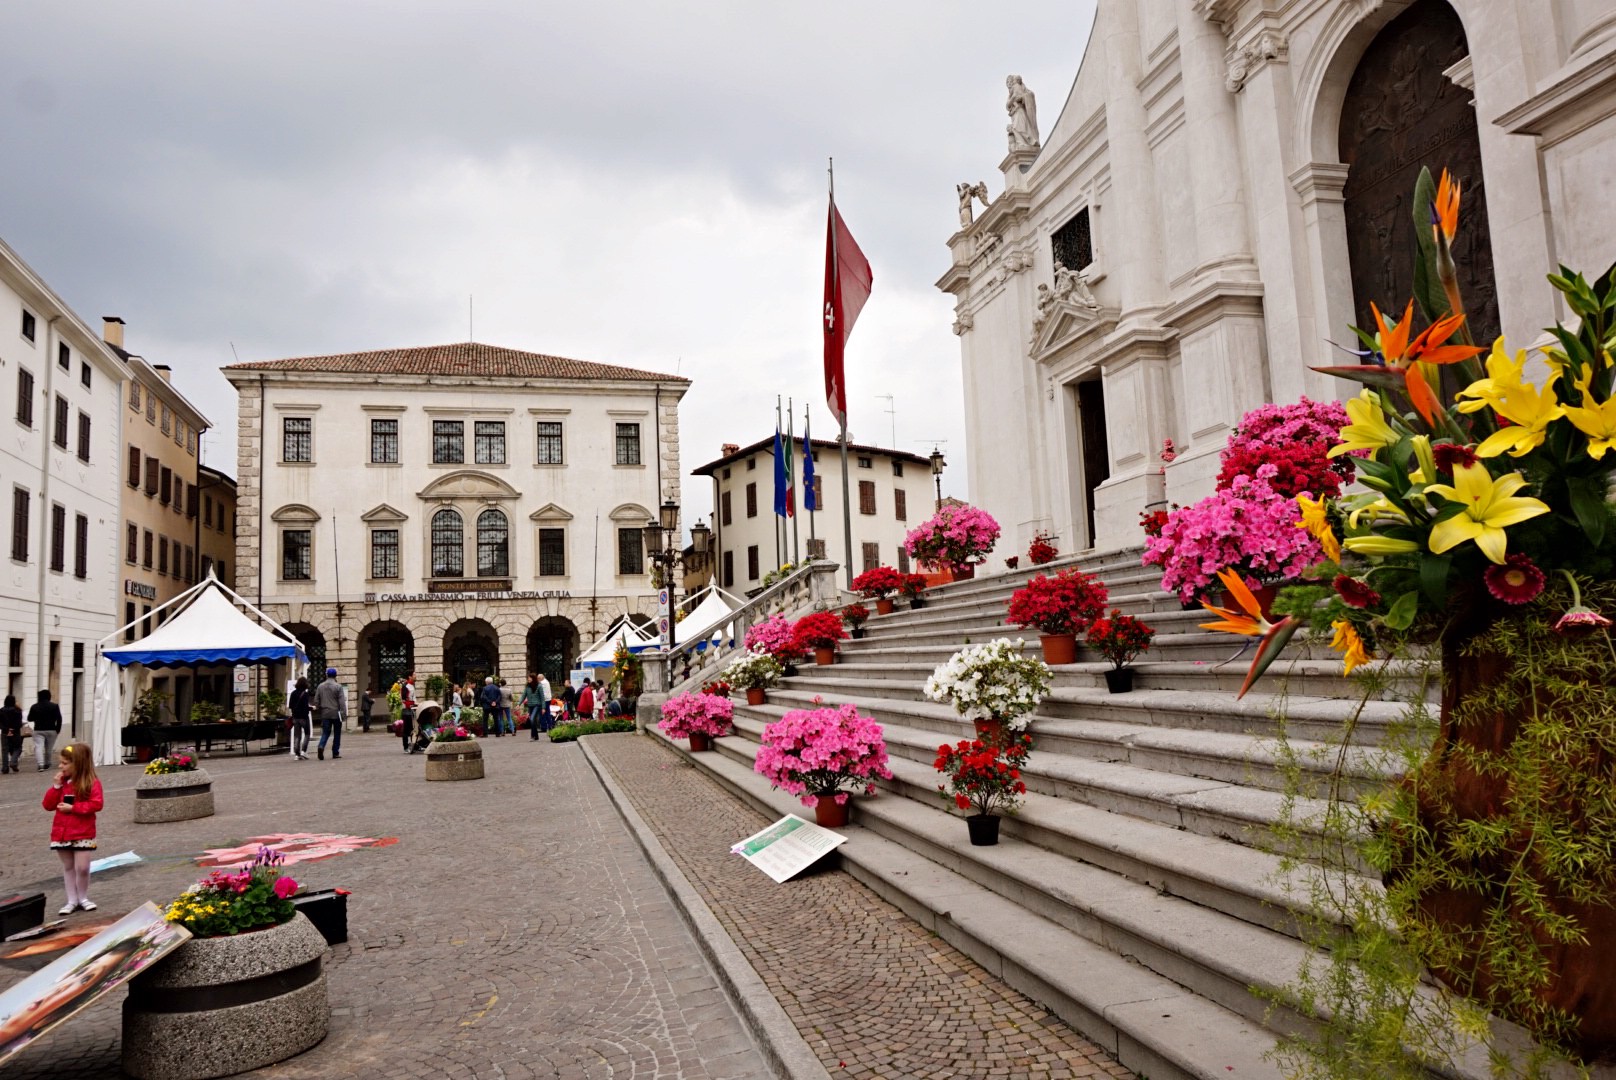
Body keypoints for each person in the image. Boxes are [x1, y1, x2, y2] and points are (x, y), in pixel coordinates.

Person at [43, 743, 103, 916]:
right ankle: (72, 900)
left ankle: (83, 897)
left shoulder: (92, 783)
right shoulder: (61, 783)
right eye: (60, 763)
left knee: (82, 867)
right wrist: (55, 787)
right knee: (69, 866)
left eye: (64, 763)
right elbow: (47, 805)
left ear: (78, 764)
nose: (60, 766)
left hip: (83, 832)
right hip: (62, 833)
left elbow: (96, 804)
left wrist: (74, 808)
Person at [312, 667, 346, 761]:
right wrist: (343, 714)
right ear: (335, 675)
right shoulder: (338, 686)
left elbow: (316, 700)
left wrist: (318, 707)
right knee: (337, 733)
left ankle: (321, 745)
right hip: (336, 713)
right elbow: (342, 702)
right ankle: (335, 752)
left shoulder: (320, 686)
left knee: (326, 732)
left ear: (326, 675)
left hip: (325, 713)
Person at [28, 689, 62, 772]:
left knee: (38, 746)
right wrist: (57, 729)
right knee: (49, 748)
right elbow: (59, 718)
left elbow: (30, 718)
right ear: (49, 696)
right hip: (51, 729)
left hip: (38, 729)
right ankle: (48, 763)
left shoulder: (34, 706)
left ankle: (40, 764)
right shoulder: (54, 706)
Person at [288, 676, 312, 761]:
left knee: (297, 736)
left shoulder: (293, 693)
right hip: (304, 717)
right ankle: (303, 751)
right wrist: (311, 708)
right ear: (305, 684)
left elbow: (290, 706)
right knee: (307, 734)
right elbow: (306, 707)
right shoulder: (305, 694)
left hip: (295, 717)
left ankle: (296, 754)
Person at [520, 673, 548, 740]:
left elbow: (542, 697)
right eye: (528, 678)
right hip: (530, 706)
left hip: (537, 705)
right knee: (533, 721)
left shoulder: (539, 686)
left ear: (533, 678)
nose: (528, 679)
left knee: (532, 719)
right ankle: (536, 736)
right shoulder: (527, 687)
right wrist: (519, 704)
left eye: (529, 678)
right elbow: (523, 695)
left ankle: (532, 736)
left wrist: (543, 708)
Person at [0, 694, 23, 774]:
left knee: (5, 750)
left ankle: (5, 768)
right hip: (15, 732)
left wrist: (6, 729)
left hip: (4, 732)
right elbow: (19, 723)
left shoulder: (1, 710)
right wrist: (13, 728)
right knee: (18, 748)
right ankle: (13, 762)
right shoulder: (17, 710)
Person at [400, 674, 418, 754]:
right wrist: (414, 703)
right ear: (410, 676)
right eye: (414, 675)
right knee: (406, 730)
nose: (416, 676)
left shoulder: (412, 686)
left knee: (413, 729)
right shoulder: (405, 686)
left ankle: (413, 745)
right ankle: (406, 747)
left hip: (412, 709)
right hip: (406, 710)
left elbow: (413, 698)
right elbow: (404, 700)